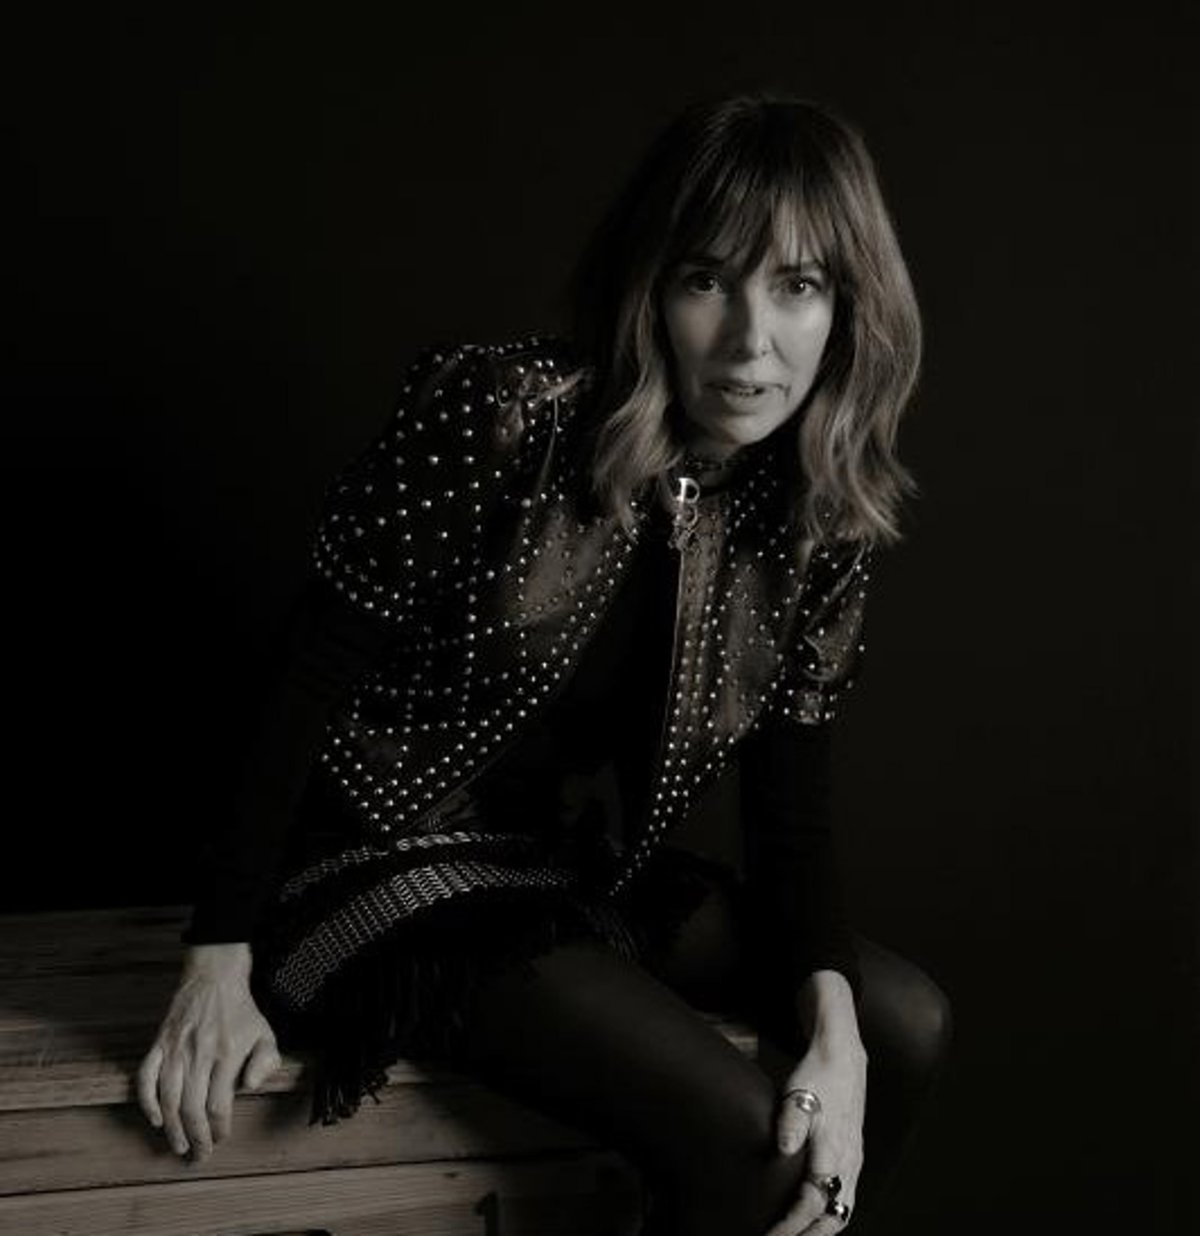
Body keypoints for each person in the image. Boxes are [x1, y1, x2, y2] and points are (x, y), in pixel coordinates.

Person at [138, 94, 950, 1235]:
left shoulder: (812, 513)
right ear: (651, 288)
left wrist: (838, 1039)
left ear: (851, 306)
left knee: (902, 1022)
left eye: (798, 286)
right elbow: (304, 679)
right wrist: (214, 960)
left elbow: (789, 811)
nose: (750, 339)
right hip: (370, 861)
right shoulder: (503, 412)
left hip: (556, 867)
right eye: (707, 280)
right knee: (739, 1131)